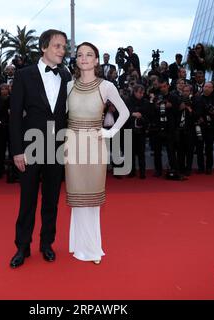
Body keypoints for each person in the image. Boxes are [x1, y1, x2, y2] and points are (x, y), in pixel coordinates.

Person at [9, 29, 71, 269]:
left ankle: (47, 244)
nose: (62, 51)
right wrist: (17, 150)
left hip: (57, 149)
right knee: (27, 201)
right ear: (44, 47)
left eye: (64, 47)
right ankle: (22, 247)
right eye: (57, 46)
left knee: (52, 200)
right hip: (31, 147)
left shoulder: (66, 77)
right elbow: (15, 116)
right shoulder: (24, 75)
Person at [65, 42, 129, 264]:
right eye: (80, 54)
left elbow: (125, 112)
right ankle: (78, 244)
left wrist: (111, 133)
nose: (84, 58)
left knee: (91, 198)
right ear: (76, 60)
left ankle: (92, 248)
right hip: (72, 146)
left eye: (89, 54)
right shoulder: (68, 86)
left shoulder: (107, 86)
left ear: (96, 60)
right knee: (76, 196)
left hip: (95, 146)